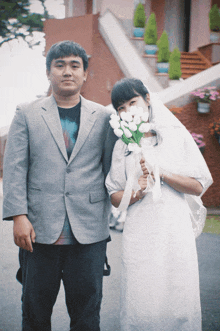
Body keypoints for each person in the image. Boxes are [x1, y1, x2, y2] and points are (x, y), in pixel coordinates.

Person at [2, 40, 117, 331]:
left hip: (89, 234)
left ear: (85, 73)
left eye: (75, 65)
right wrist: (18, 216)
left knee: (87, 315)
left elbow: (112, 169)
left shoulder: (104, 117)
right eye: (60, 65)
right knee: (35, 313)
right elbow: (15, 168)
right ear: (48, 71)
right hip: (38, 234)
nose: (67, 71)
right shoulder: (26, 112)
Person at [105, 78, 213, 331]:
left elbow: (198, 185)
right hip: (140, 232)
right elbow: (114, 195)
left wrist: (161, 172)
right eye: (121, 107)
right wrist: (138, 189)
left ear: (148, 99)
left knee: (178, 297)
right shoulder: (123, 145)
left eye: (133, 102)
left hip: (174, 231)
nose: (128, 110)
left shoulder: (175, 136)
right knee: (141, 299)